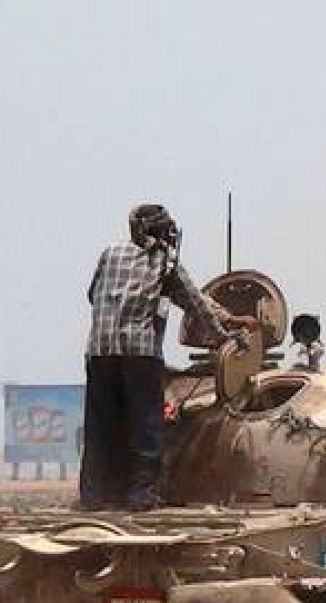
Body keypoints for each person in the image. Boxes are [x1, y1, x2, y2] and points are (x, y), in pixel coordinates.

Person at [80, 203, 252, 510]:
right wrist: (226, 335)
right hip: (140, 353)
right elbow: (196, 304)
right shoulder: (165, 262)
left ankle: (95, 496)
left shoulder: (109, 253)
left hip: (99, 351)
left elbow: (92, 294)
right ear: (162, 232)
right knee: (145, 424)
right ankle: (140, 493)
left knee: (101, 426)